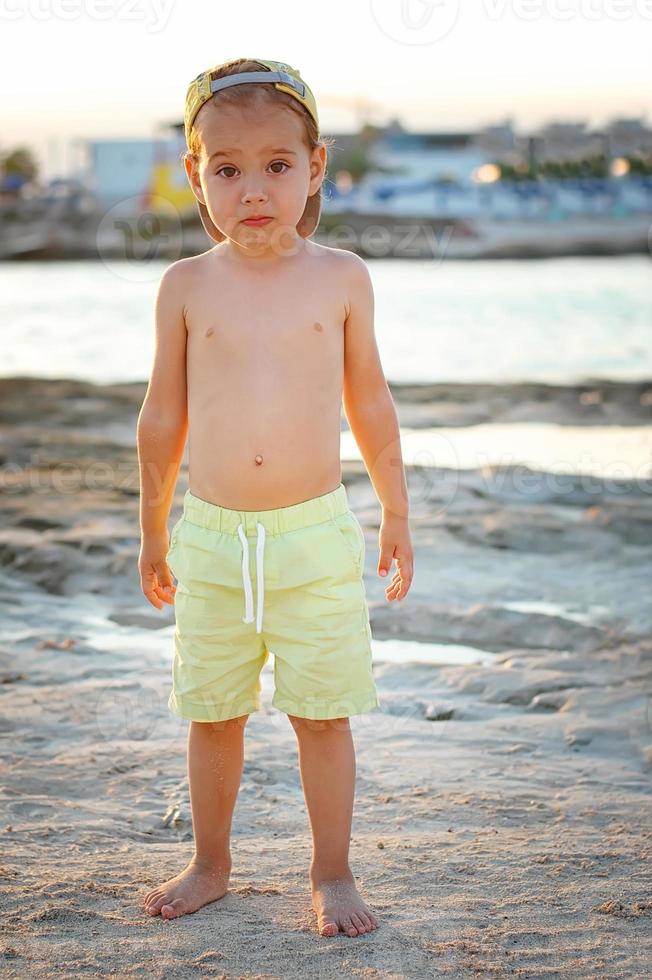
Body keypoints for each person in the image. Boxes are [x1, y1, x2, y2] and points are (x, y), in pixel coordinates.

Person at [137, 58, 413, 938]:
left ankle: (332, 872)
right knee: (211, 711)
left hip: (313, 534)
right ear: (195, 176)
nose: (253, 188)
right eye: (227, 169)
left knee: (322, 711)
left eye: (277, 166)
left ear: (316, 167)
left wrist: (396, 510)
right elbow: (162, 418)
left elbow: (369, 401)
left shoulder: (341, 279)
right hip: (212, 537)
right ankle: (211, 862)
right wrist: (153, 531)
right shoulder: (185, 285)